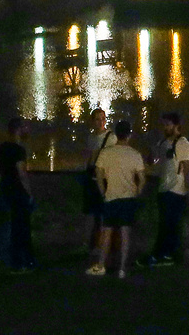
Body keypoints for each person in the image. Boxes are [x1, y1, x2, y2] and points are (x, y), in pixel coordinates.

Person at [90, 120, 145, 277]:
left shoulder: (106, 153)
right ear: (129, 134)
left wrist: (103, 191)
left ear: (116, 134)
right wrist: (137, 193)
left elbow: (99, 174)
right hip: (128, 197)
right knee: (125, 233)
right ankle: (122, 268)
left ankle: (101, 265)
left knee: (107, 232)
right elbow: (142, 179)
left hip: (111, 196)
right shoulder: (135, 154)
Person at [142, 112, 189, 266]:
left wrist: (187, 190)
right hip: (164, 189)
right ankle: (165, 255)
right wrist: (151, 154)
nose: (165, 127)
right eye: (164, 124)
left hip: (176, 191)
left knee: (170, 225)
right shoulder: (163, 143)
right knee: (167, 225)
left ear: (177, 125)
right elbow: (152, 162)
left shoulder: (182, 144)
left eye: (168, 124)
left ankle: (166, 255)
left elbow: (188, 168)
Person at [0, 116, 34, 273]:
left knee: (13, 226)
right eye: (24, 127)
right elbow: (22, 173)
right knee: (23, 228)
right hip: (19, 192)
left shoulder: (1, 148)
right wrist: (29, 193)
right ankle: (25, 261)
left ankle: (16, 262)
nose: (27, 130)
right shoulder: (19, 150)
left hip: (6, 190)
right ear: (18, 130)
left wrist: (4, 179)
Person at [80, 107, 115, 268]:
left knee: (101, 213)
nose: (100, 122)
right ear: (92, 121)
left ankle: (99, 245)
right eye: (97, 119)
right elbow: (87, 157)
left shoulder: (110, 137)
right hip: (91, 176)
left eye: (102, 118)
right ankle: (88, 244)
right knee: (90, 212)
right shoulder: (91, 137)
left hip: (102, 177)